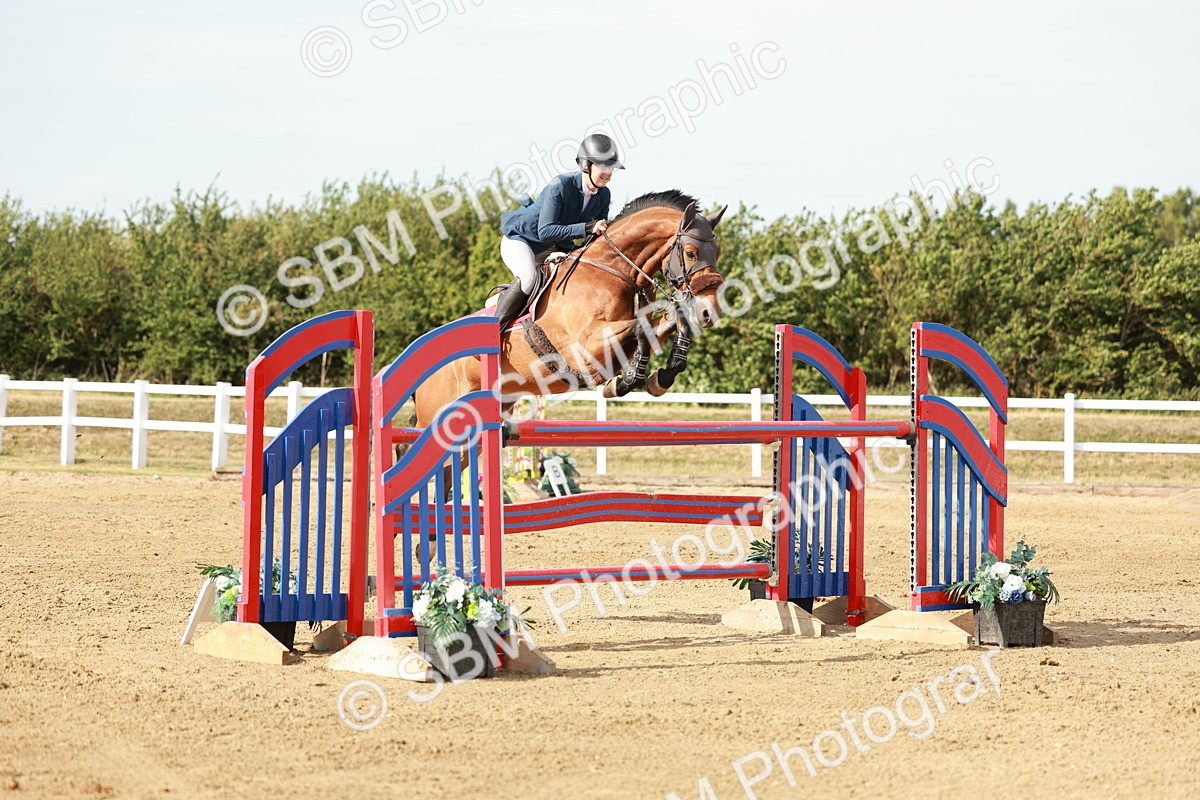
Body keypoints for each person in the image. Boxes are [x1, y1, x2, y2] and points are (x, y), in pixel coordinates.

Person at [495, 132, 624, 330]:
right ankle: (492, 332)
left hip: (553, 247)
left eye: (611, 168)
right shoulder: (560, 186)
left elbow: (597, 235)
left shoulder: (604, 194)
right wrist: (588, 227)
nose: (608, 173)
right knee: (528, 278)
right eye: (604, 166)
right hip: (521, 240)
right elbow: (546, 231)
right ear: (585, 165)